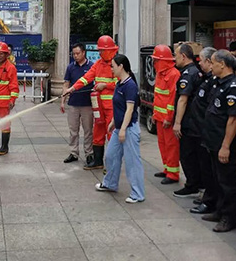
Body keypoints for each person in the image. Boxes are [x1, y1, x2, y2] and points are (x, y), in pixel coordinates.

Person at [200, 49, 236, 233]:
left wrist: (226, 146)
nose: (210, 66)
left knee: (228, 183)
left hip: (225, 144)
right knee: (217, 179)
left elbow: (233, 119)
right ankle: (219, 211)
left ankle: (229, 217)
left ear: (222, 64)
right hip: (213, 142)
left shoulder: (234, 87)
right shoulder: (218, 83)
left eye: (212, 63)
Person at [63, 35, 119, 171]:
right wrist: (72, 88)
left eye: (102, 50)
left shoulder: (117, 64)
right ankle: (98, 161)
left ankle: (112, 165)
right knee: (97, 133)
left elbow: (120, 83)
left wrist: (105, 85)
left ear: (109, 50)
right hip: (99, 106)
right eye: (99, 50)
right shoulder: (98, 64)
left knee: (111, 134)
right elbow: (85, 79)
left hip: (111, 107)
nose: (100, 53)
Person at [94, 54, 145, 203]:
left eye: (113, 66)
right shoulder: (119, 83)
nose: (111, 69)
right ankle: (110, 183)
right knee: (111, 156)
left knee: (132, 162)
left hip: (129, 129)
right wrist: (113, 122)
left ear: (121, 66)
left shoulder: (130, 86)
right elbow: (118, 106)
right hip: (119, 127)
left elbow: (129, 110)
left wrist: (122, 129)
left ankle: (137, 194)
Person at [189, 47, 218, 213]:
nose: (199, 64)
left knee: (211, 171)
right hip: (200, 131)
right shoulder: (206, 79)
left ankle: (211, 202)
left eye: (201, 60)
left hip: (207, 132)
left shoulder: (216, 82)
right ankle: (208, 197)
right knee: (205, 168)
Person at [172, 43, 202, 194]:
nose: (174, 59)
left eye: (176, 56)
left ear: (183, 56)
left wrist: (177, 123)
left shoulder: (188, 74)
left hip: (189, 122)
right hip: (195, 121)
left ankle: (192, 185)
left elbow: (183, 99)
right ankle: (197, 183)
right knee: (194, 155)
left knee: (187, 155)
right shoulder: (196, 71)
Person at [150, 45, 181, 183]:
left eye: (156, 60)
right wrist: (155, 114)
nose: (154, 63)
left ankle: (173, 174)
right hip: (159, 117)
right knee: (162, 144)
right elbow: (157, 96)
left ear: (163, 60)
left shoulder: (174, 74)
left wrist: (169, 118)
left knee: (171, 146)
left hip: (168, 119)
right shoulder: (160, 74)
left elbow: (172, 99)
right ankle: (167, 169)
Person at [61, 43, 94, 165]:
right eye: (73, 54)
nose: (75, 56)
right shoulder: (70, 67)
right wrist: (63, 102)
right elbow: (66, 84)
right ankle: (74, 153)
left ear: (84, 52)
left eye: (77, 53)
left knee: (88, 130)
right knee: (73, 130)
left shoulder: (91, 66)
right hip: (73, 103)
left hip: (87, 104)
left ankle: (89, 153)